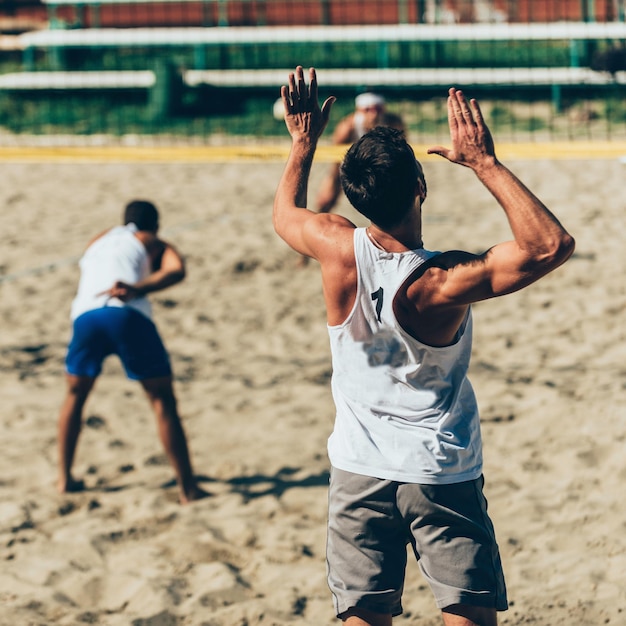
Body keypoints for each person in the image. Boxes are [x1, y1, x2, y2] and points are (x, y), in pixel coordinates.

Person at [273, 66, 575, 626]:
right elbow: (549, 246)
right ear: (421, 187)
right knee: (467, 613)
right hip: (439, 471)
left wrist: (302, 144)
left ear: (357, 196)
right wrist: (484, 162)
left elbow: (284, 215)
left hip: (357, 467)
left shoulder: (336, 248)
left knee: (365, 615)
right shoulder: (443, 281)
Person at [57, 199, 209, 504]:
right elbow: (176, 270)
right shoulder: (150, 239)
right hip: (127, 316)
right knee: (162, 400)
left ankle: (65, 479)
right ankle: (188, 489)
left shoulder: (98, 240)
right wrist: (140, 287)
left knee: (75, 396)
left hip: (85, 316)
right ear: (155, 224)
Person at [315, 91, 405, 217]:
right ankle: (320, 216)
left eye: (377, 109)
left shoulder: (393, 123)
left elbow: (404, 152)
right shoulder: (347, 127)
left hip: (382, 161)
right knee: (328, 196)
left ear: (383, 109)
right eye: (367, 110)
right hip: (353, 162)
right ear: (359, 111)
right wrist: (333, 182)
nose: (373, 114)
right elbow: (335, 161)